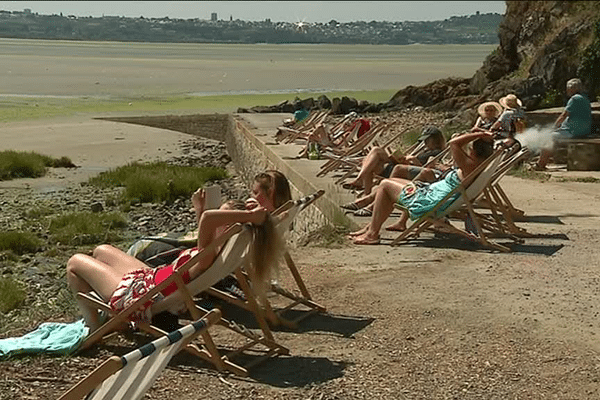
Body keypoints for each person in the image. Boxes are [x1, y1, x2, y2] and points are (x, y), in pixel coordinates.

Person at [66, 170, 292, 330]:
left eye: (222, 215)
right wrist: (209, 210)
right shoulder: (217, 249)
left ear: (228, 225)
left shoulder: (210, 254)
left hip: (145, 296)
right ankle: (103, 317)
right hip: (152, 279)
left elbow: (207, 219)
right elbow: (208, 220)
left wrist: (247, 215)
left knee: (75, 262)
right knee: (101, 250)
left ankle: (93, 326)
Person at [348, 131, 495, 245]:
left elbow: (454, 143)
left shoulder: (469, 165)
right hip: (431, 194)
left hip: (428, 201)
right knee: (392, 181)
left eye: (469, 150)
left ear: (473, 152)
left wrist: (481, 134)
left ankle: (372, 234)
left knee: (385, 184)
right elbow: (458, 145)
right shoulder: (481, 166)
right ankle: (370, 228)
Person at [342, 126, 446, 196]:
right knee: (371, 161)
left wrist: (413, 160)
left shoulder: (437, 153)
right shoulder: (425, 150)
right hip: (400, 166)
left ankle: (360, 181)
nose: (425, 142)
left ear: (436, 140)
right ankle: (366, 193)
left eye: (428, 139)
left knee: (376, 151)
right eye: (424, 140)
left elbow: (427, 170)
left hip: (403, 172)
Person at [534, 78, 592, 170]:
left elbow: (564, 115)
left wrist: (554, 127)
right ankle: (544, 159)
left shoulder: (574, 99)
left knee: (548, 137)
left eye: (568, 88)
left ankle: (540, 165)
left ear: (572, 89)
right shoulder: (585, 98)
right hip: (583, 130)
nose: (566, 90)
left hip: (573, 131)